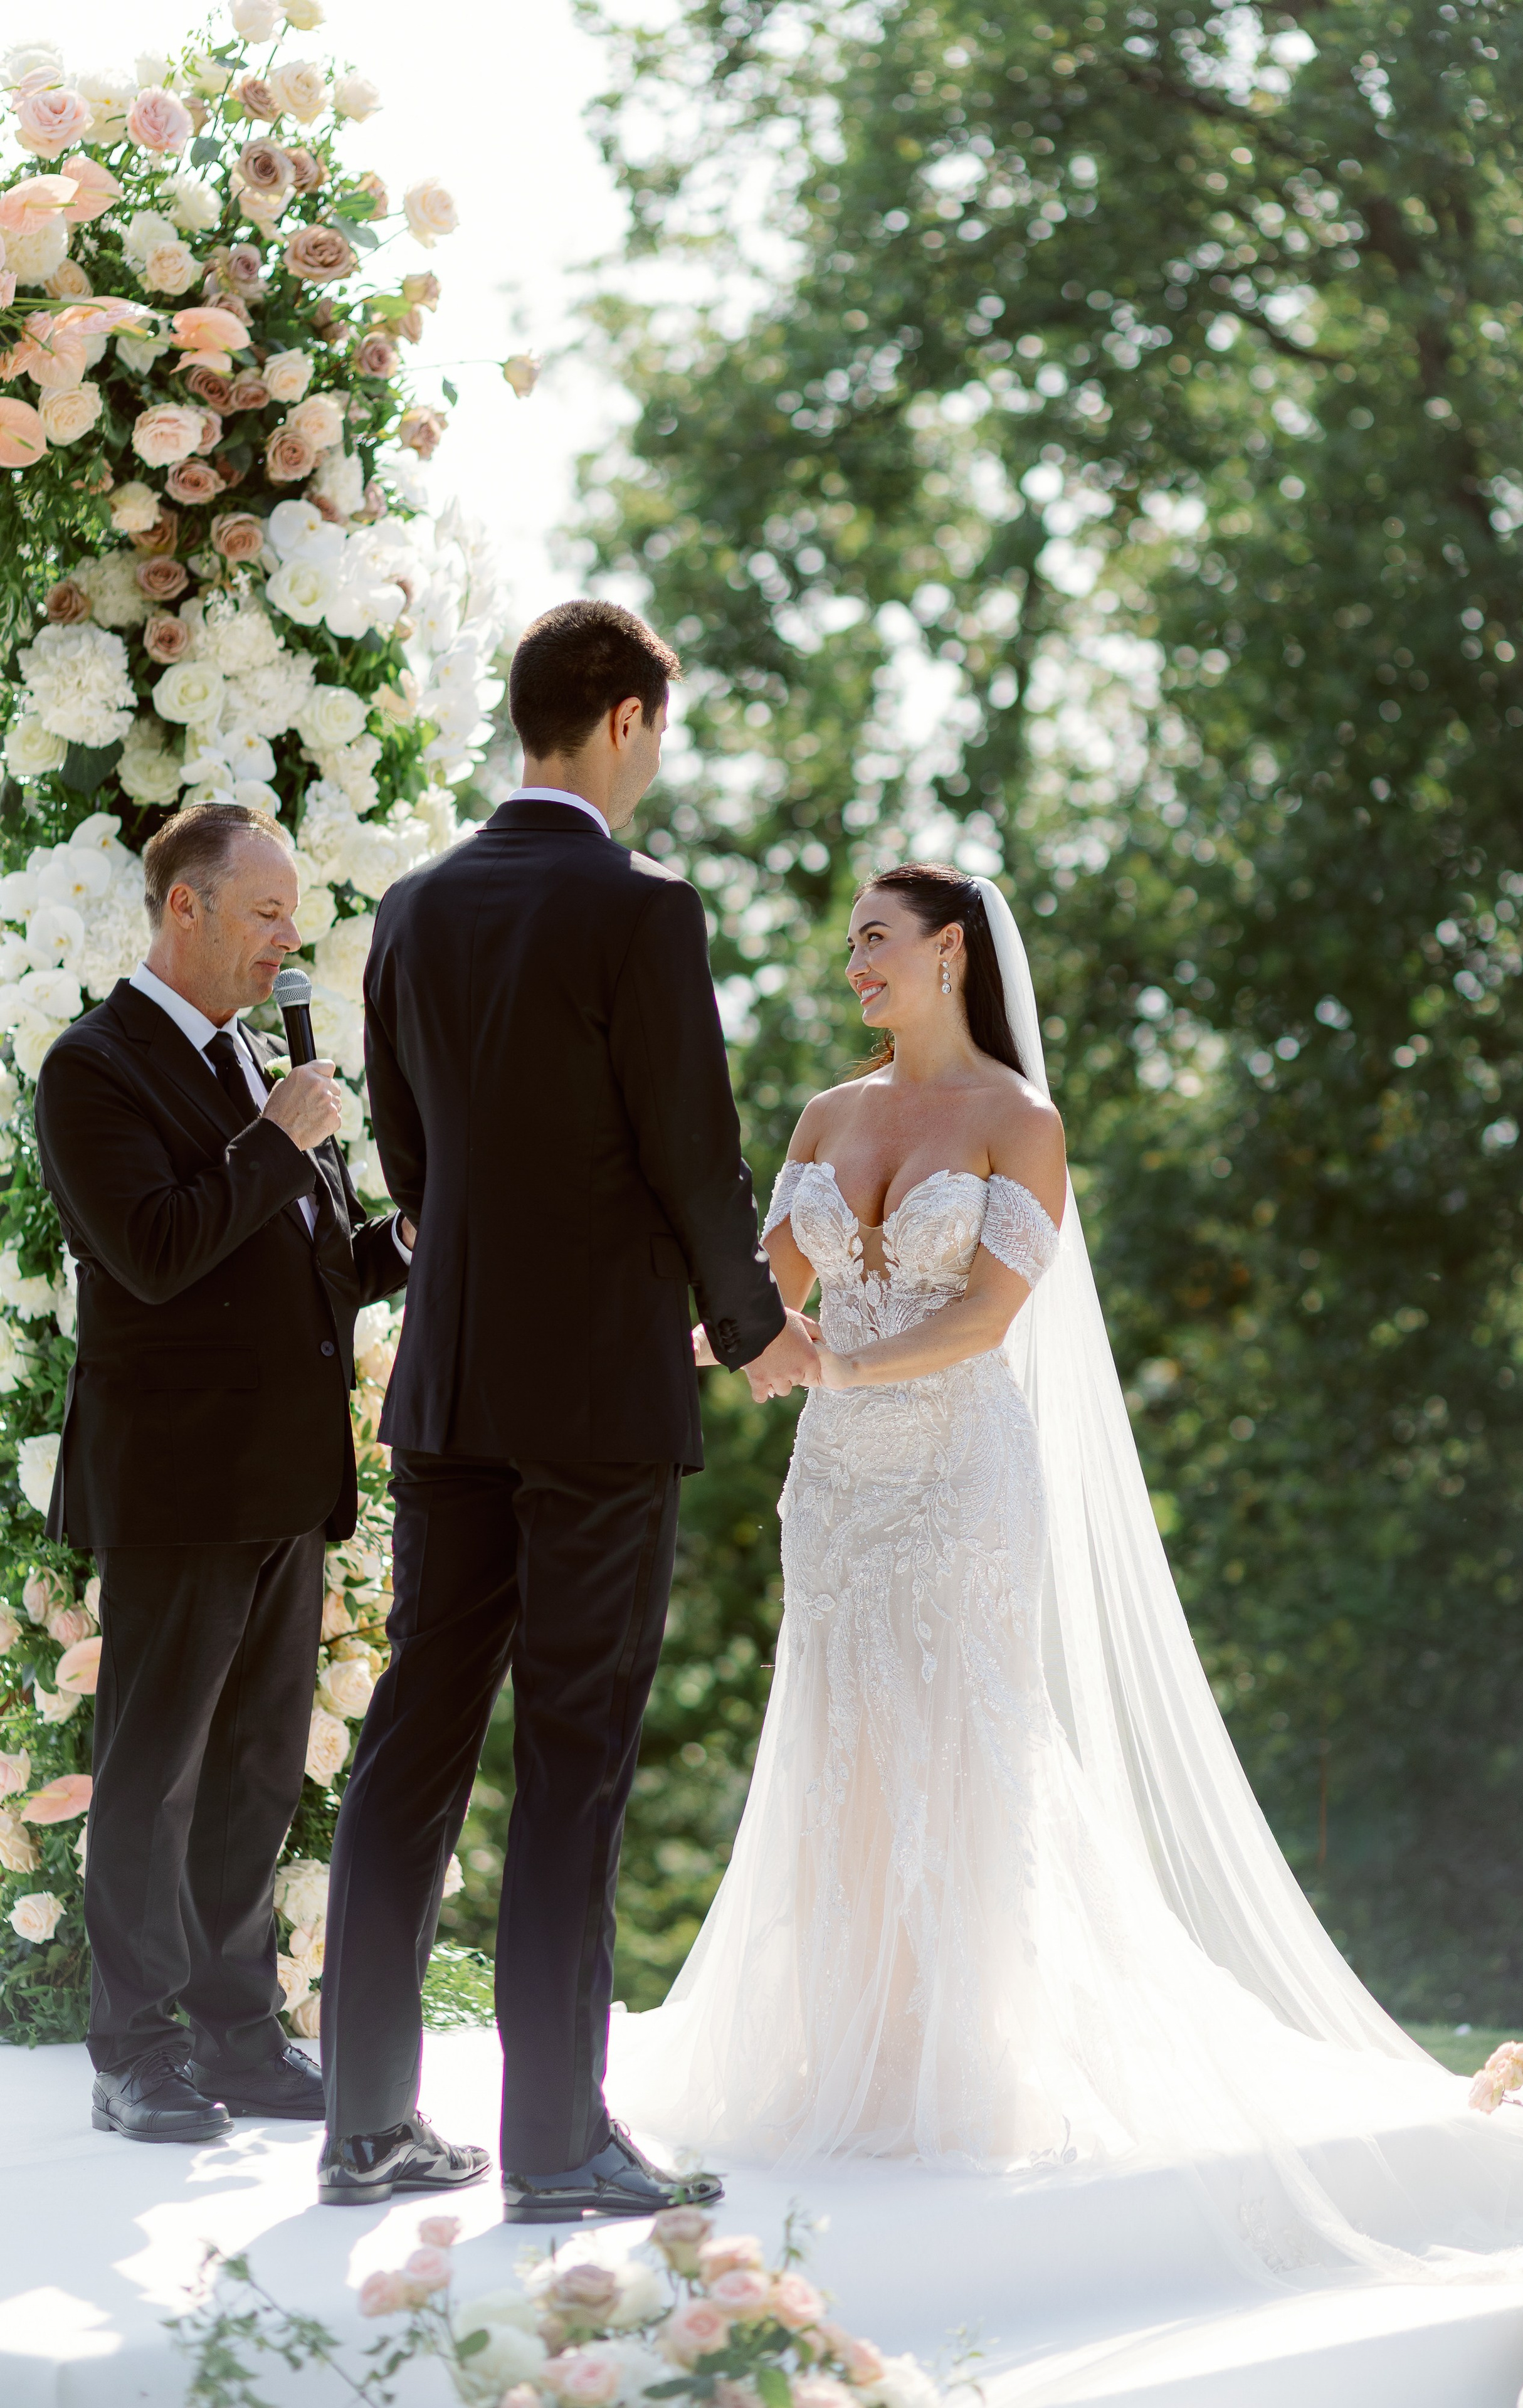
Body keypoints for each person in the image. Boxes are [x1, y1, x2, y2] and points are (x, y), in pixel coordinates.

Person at [604, 863, 1523, 2279]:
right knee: (841, 1749)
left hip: (960, 1481)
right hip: (839, 1498)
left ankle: (959, 2067)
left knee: (957, 1752)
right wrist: (688, 1336)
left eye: (876, 940)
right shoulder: (824, 1115)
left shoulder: (1018, 1122)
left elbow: (987, 1317)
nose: (853, 963)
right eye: (852, 943)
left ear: (949, 954)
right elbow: (768, 1294)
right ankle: (846, 2055)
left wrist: (833, 1366)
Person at [317, 599, 818, 2215]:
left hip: (448, 1379)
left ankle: (365, 2128)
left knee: (413, 1741)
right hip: (597, 1393)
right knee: (577, 1753)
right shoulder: (640, 907)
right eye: (656, 730)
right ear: (617, 719)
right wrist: (753, 1331)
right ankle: (553, 2147)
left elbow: (407, 1158)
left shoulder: (410, 908)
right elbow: (692, 1149)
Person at [32, 802, 412, 2144]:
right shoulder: (95, 1067)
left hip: (286, 1481)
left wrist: (407, 1236)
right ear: (183, 908)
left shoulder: (260, 1062)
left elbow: (307, 1265)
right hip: (179, 1485)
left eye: (290, 913)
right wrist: (280, 1141)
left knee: (255, 1773)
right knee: (155, 1777)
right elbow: (151, 1250)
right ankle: (132, 2056)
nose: (285, 938)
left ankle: (240, 2038)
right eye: (263, 911)